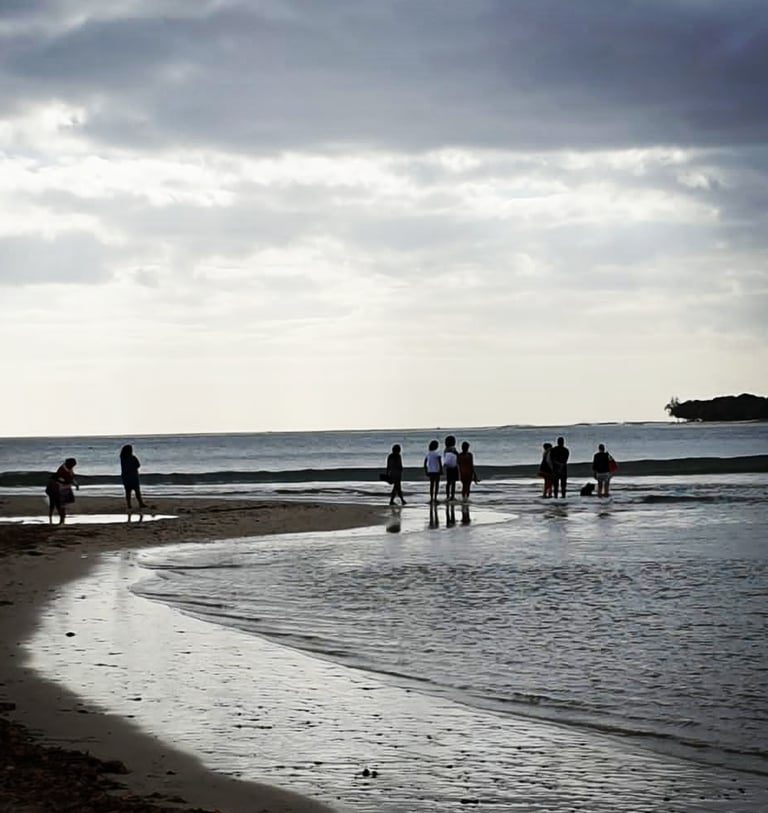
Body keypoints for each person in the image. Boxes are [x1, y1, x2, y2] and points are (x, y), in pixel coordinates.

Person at [45, 457, 78, 524]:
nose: (73, 467)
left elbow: (71, 478)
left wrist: (75, 484)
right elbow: (61, 480)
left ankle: (60, 519)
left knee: (61, 504)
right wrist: (69, 482)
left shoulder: (68, 468)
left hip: (64, 488)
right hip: (59, 488)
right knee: (59, 504)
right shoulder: (62, 470)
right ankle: (60, 520)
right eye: (73, 465)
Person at [120, 444, 147, 512]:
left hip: (125, 476)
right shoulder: (132, 457)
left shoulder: (122, 458)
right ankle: (140, 503)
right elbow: (138, 465)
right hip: (133, 476)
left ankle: (129, 505)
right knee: (137, 490)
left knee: (128, 491)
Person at [443, 435, 460, 502]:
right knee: (453, 483)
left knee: (448, 482)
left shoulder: (445, 449)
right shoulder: (453, 449)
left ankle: (447, 496)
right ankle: (452, 496)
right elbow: (457, 455)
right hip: (454, 467)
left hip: (448, 467)